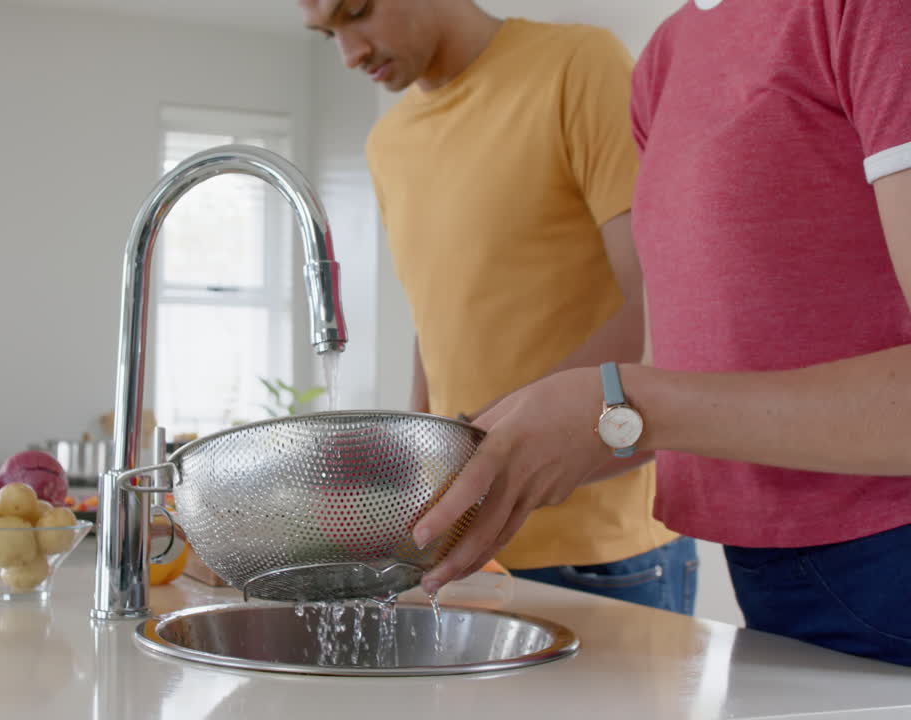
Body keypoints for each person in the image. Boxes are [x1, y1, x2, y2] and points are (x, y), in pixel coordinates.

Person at [409, 0, 911, 666]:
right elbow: (689, 369)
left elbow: (654, 399)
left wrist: (623, 403)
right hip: (771, 577)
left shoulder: (869, 14)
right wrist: (482, 455)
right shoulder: (666, 59)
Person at [298, 0, 698, 613]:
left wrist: (477, 446)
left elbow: (658, 306)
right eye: (329, 33)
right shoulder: (388, 143)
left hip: (600, 553)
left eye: (357, 11)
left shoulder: (577, 66)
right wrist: (415, 464)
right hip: (461, 550)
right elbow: (437, 320)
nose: (350, 53)